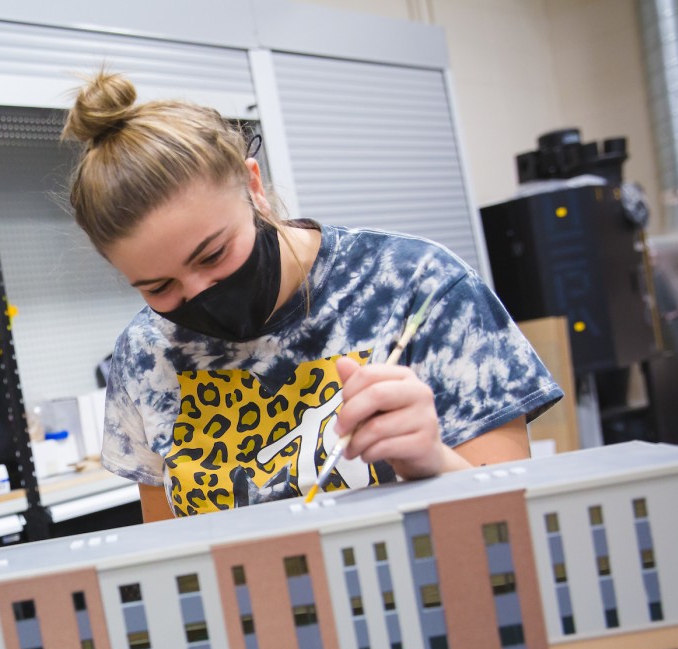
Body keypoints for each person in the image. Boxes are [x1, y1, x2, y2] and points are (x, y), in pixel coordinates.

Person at [62, 72, 562, 521]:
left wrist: (433, 460)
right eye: (159, 287)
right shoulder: (145, 354)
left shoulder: (418, 287)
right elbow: (173, 559)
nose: (199, 295)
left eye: (213, 256)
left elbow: (515, 526)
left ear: (253, 186)